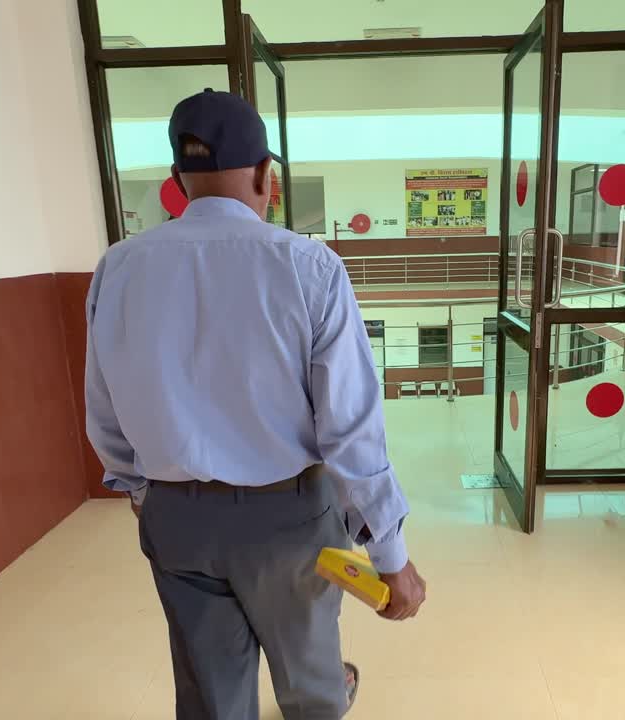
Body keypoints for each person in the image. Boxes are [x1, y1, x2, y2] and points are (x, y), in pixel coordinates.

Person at [84, 88, 427, 719]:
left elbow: (104, 411)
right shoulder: (308, 266)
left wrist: (142, 493)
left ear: (175, 181)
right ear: (269, 174)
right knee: (311, 677)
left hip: (175, 521)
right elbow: (349, 431)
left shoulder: (119, 268)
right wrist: (391, 555)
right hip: (289, 520)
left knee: (210, 692)